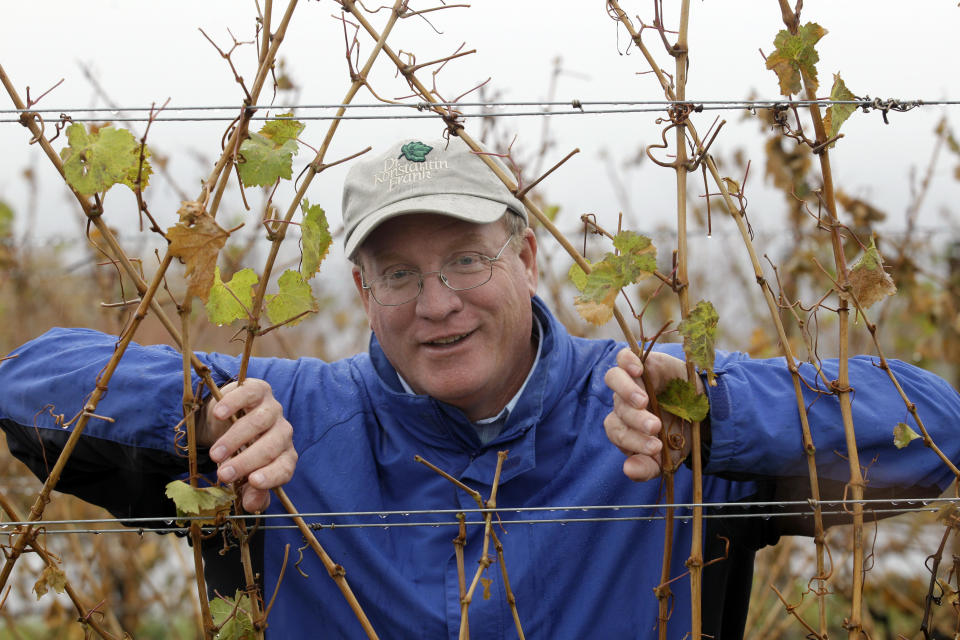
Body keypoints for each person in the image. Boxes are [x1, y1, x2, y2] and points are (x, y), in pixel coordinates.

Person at [2, 135, 959, 639]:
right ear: (362, 290)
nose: (438, 303)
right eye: (400, 275)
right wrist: (200, 420)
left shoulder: (650, 414)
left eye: (466, 259)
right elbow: (27, 384)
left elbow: (935, 431)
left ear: (530, 257)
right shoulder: (283, 415)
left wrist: (709, 415)